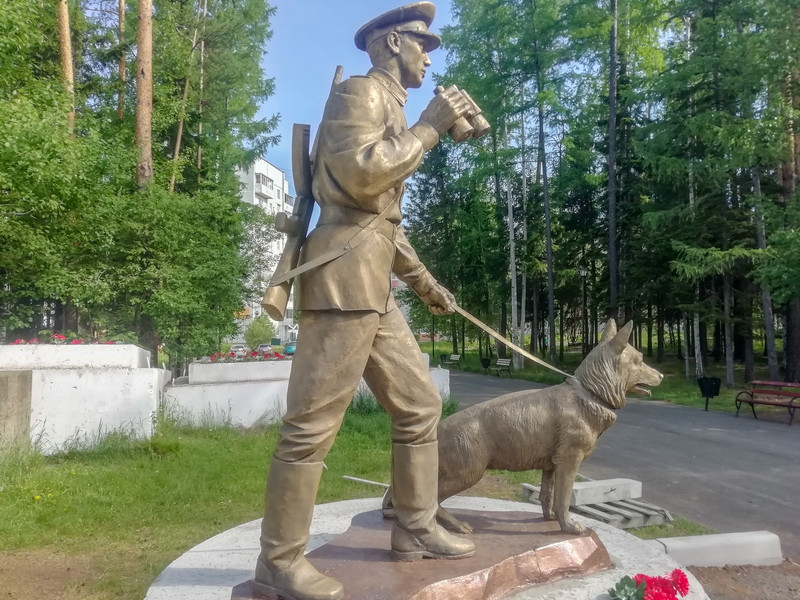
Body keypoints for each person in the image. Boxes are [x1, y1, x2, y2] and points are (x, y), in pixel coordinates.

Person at [253, 4, 475, 600]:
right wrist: (428, 128)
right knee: (310, 429)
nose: (429, 56)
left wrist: (426, 285)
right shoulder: (359, 93)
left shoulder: (395, 107)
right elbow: (359, 179)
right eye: (421, 44)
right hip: (341, 281)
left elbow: (383, 223)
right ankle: (278, 562)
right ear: (393, 42)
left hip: (374, 283)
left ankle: (415, 525)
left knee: (419, 407)